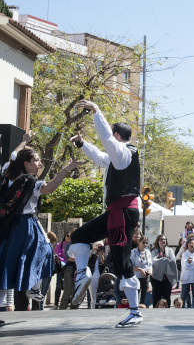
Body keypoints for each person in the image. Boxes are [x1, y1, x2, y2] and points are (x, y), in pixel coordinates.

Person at [0, 131, 80, 327]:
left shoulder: (8, 174)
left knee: (3, 271)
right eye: (36, 160)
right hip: (24, 226)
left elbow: (12, 157)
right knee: (45, 251)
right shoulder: (30, 182)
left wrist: (23, 142)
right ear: (26, 164)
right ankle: (33, 286)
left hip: (1, 228)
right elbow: (49, 188)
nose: (39, 163)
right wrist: (65, 170)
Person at [67, 100, 142, 328]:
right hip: (118, 213)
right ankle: (82, 275)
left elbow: (107, 142)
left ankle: (135, 312)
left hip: (123, 214)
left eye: (112, 135)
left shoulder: (124, 152)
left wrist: (97, 111)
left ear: (117, 135)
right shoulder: (117, 157)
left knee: (123, 262)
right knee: (80, 236)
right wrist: (82, 144)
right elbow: (100, 156)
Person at [150, 235, 177, 308]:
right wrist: (164, 260)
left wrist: (162, 261)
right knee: (156, 297)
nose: (163, 241)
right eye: (161, 239)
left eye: (164, 239)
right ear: (158, 241)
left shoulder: (170, 250)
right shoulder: (154, 251)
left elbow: (172, 262)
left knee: (167, 297)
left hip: (167, 278)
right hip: (156, 278)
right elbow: (153, 262)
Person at [179, 237, 194, 308]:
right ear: (187, 245)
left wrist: (191, 262)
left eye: (192, 243)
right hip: (185, 279)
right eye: (189, 243)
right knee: (183, 297)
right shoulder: (184, 254)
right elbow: (185, 265)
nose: (191, 245)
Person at [132, 235, 152, 307]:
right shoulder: (134, 252)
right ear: (139, 242)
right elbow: (131, 266)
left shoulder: (148, 252)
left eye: (146, 243)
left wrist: (149, 272)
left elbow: (150, 265)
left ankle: (143, 306)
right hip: (136, 277)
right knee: (136, 295)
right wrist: (140, 270)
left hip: (145, 277)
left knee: (144, 294)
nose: (145, 244)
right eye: (143, 242)